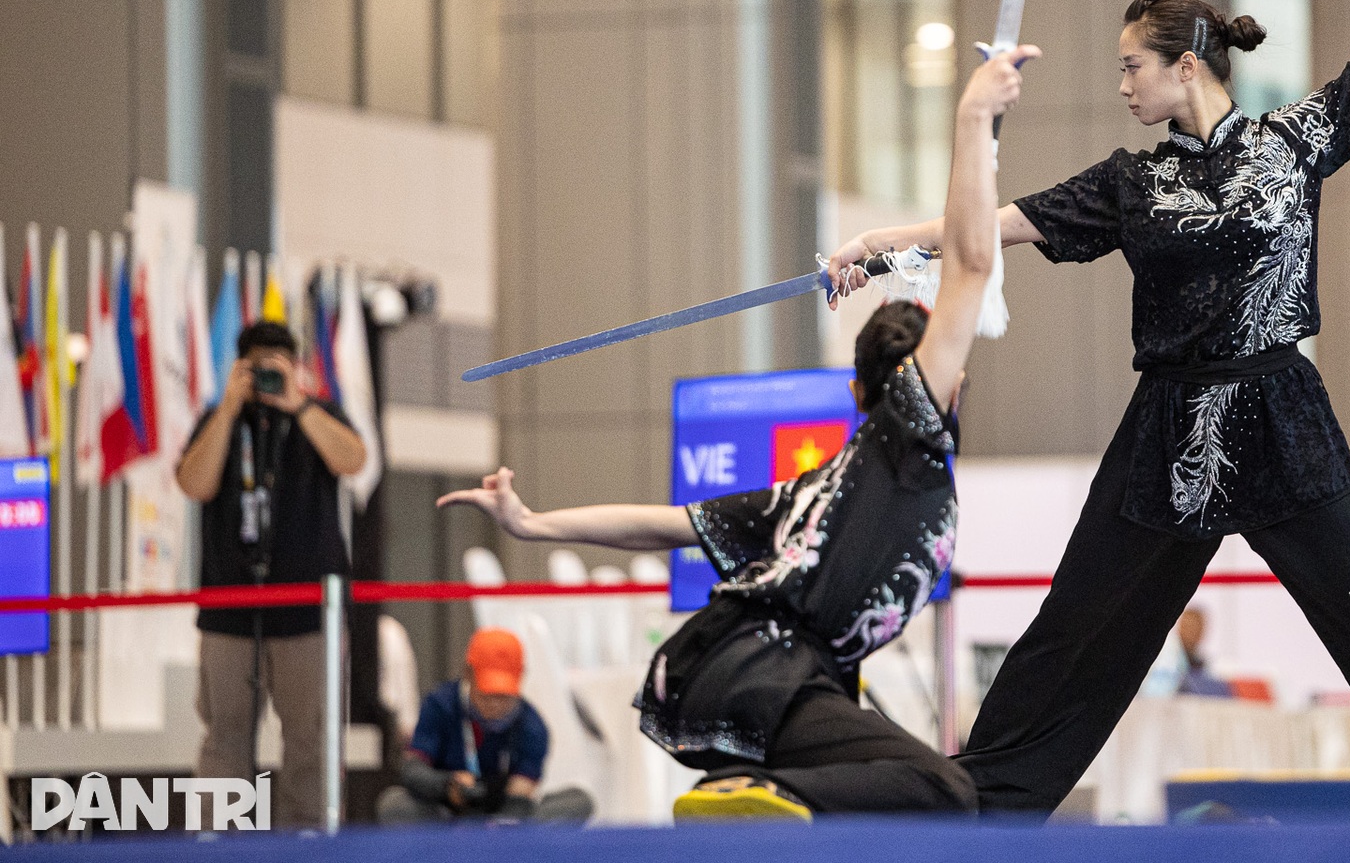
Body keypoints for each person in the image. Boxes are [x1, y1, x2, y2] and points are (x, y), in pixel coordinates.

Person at [830, 0, 1350, 823]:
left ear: (1186, 65)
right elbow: (994, 225)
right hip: (1169, 429)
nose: (1121, 82)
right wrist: (882, 247)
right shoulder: (1128, 184)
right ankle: (980, 809)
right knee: (1079, 628)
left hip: (1282, 414)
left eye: (1132, 64)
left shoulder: (1297, 140)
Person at [440, 43, 1040, 821]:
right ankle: (762, 796)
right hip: (763, 670)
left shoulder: (816, 489)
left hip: (739, 672)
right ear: (927, 385)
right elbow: (968, 263)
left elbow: (662, 525)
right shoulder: (912, 430)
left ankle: (761, 802)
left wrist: (533, 522)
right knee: (947, 792)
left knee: (893, 790)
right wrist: (971, 119)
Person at [175, 320, 367, 829]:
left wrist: (298, 405)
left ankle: (306, 842)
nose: (266, 380)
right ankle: (219, 841)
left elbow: (354, 460)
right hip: (229, 608)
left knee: (310, 738)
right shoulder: (218, 420)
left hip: (306, 609)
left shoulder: (317, 415)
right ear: (238, 368)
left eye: (276, 368)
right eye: (256, 369)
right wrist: (230, 408)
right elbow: (194, 483)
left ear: (296, 367)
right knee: (224, 737)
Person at [376, 628, 594, 825]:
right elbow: (413, 770)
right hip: (447, 813)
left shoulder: (533, 726)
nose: (496, 705)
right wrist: (447, 785)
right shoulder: (439, 706)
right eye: (487, 695)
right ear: (468, 673)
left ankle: (500, 845)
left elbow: (521, 792)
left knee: (579, 801)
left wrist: (506, 817)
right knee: (395, 804)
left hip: (505, 819)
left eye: (505, 696)